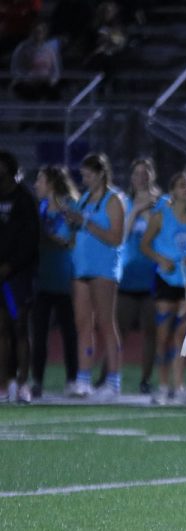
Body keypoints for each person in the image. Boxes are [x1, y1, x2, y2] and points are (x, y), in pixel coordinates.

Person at [67, 152, 125, 400]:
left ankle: (113, 381)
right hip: (82, 268)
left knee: (105, 323)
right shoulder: (84, 199)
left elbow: (116, 237)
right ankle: (83, 379)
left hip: (103, 270)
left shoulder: (114, 200)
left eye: (88, 174)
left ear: (100, 173)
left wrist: (86, 223)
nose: (84, 179)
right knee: (83, 324)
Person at [142, 171, 186, 405]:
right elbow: (144, 244)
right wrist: (161, 259)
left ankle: (180, 385)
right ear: (172, 190)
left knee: (184, 334)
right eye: (181, 185)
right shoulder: (161, 215)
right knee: (163, 335)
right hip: (167, 280)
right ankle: (164, 384)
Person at [30, 165, 79, 399]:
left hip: (65, 279)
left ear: (50, 182)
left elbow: (67, 241)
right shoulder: (38, 209)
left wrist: (44, 237)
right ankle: (36, 380)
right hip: (42, 280)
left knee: (70, 333)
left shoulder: (69, 207)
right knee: (38, 334)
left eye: (39, 180)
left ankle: (72, 380)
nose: (36, 184)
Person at [116, 158, 160, 396]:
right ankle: (110, 376)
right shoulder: (125, 202)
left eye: (145, 173)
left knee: (150, 331)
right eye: (136, 173)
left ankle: (145, 379)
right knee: (119, 330)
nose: (140, 177)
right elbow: (121, 235)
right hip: (128, 275)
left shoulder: (160, 203)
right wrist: (136, 210)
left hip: (152, 276)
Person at [0, 149, 39, 403]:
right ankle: (4, 383)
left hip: (19, 276)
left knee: (20, 328)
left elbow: (30, 241)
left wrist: (11, 265)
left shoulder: (25, 200)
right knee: (1, 330)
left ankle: (24, 382)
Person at [10, 21, 61, 102]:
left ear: (44, 33)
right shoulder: (22, 48)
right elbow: (15, 68)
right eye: (35, 32)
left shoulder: (50, 49)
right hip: (26, 83)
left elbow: (56, 70)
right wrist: (26, 79)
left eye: (40, 32)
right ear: (31, 32)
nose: (38, 34)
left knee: (54, 92)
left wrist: (51, 81)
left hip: (45, 83)